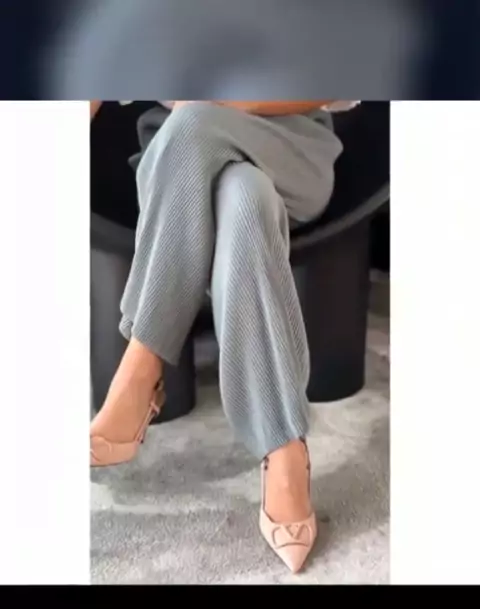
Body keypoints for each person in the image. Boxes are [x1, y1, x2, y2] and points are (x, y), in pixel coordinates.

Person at [90, 99, 358, 573]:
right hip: (180, 166)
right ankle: (285, 449)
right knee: (245, 197)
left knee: (197, 117)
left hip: (290, 149)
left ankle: (142, 366)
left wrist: (223, 102)